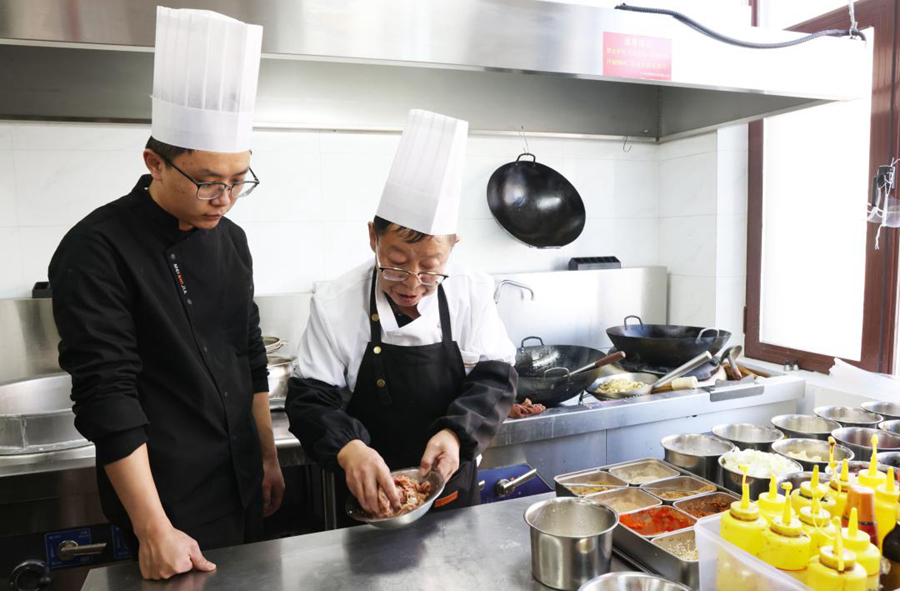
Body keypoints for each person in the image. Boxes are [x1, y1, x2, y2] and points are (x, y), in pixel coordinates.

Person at [48, 7, 283, 581]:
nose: (224, 199)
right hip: (165, 503)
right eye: (208, 182)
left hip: (243, 479)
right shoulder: (96, 249)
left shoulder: (232, 240)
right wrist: (153, 527)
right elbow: (107, 394)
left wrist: (267, 456)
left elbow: (248, 353)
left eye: (239, 181)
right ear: (155, 163)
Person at [286, 109, 517, 518]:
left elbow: (496, 379)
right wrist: (348, 448)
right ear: (372, 237)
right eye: (394, 264)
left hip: (452, 487)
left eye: (430, 269)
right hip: (366, 494)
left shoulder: (472, 290)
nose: (412, 284)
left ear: (453, 247)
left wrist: (456, 433)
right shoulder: (336, 302)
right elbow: (310, 399)